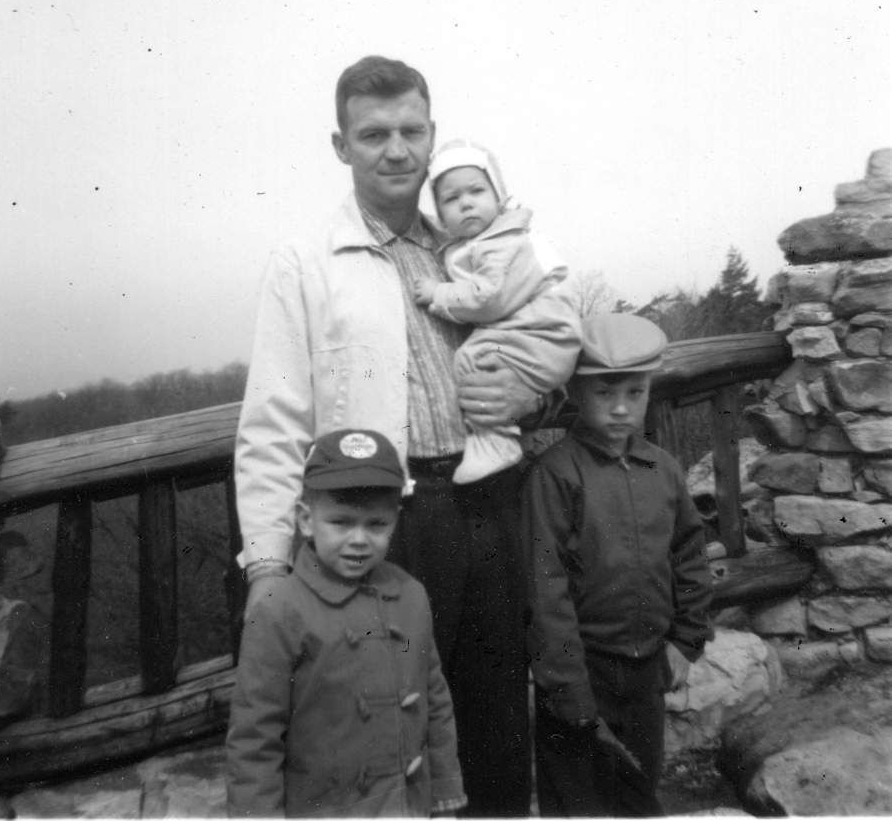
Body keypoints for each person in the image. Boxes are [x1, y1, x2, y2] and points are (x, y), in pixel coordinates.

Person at [234, 55, 534, 816]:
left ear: (433, 137)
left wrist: (538, 389)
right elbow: (273, 424)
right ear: (341, 145)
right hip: (387, 521)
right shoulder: (306, 265)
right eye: (374, 134)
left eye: (411, 131)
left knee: (495, 716)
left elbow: (544, 341)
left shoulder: (475, 248)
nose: (396, 149)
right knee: (385, 737)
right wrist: (269, 561)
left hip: (492, 506)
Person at [523, 313, 713, 817]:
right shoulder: (556, 475)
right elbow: (547, 587)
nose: (622, 408)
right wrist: (565, 683)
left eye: (635, 392)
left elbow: (690, 555)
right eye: (605, 394)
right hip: (583, 669)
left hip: (647, 666)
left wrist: (685, 641)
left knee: (638, 790)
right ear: (576, 394)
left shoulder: (664, 470)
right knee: (577, 799)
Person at [226, 429, 466, 817]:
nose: (359, 539)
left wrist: (444, 794)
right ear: (306, 520)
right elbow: (255, 738)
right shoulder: (279, 610)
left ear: (396, 521)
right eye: (340, 522)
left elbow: (435, 704)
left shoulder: (410, 595)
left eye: (376, 524)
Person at [413, 139, 580, 484]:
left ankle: (495, 441)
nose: (466, 203)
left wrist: (438, 293)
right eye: (451, 199)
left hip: (541, 332)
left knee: (471, 357)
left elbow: (489, 298)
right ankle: (492, 440)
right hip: (539, 334)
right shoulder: (478, 243)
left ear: (499, 195)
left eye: (476, 191)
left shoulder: (501, 242)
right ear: (440, 214)